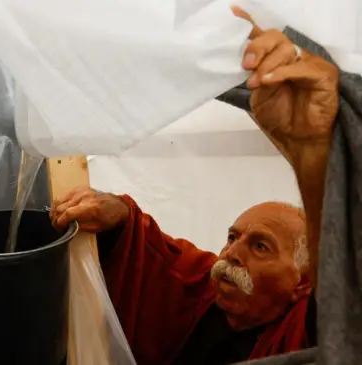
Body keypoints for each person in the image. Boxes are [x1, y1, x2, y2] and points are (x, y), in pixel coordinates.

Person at [49, 7, 340, 365]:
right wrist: (119, 215)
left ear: (301, 283)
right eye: (233, 237)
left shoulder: (305, 331)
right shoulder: (205, 289)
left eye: (261, 246)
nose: (232, 253)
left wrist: (313, 151)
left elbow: (341, 294)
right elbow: (157, 258)